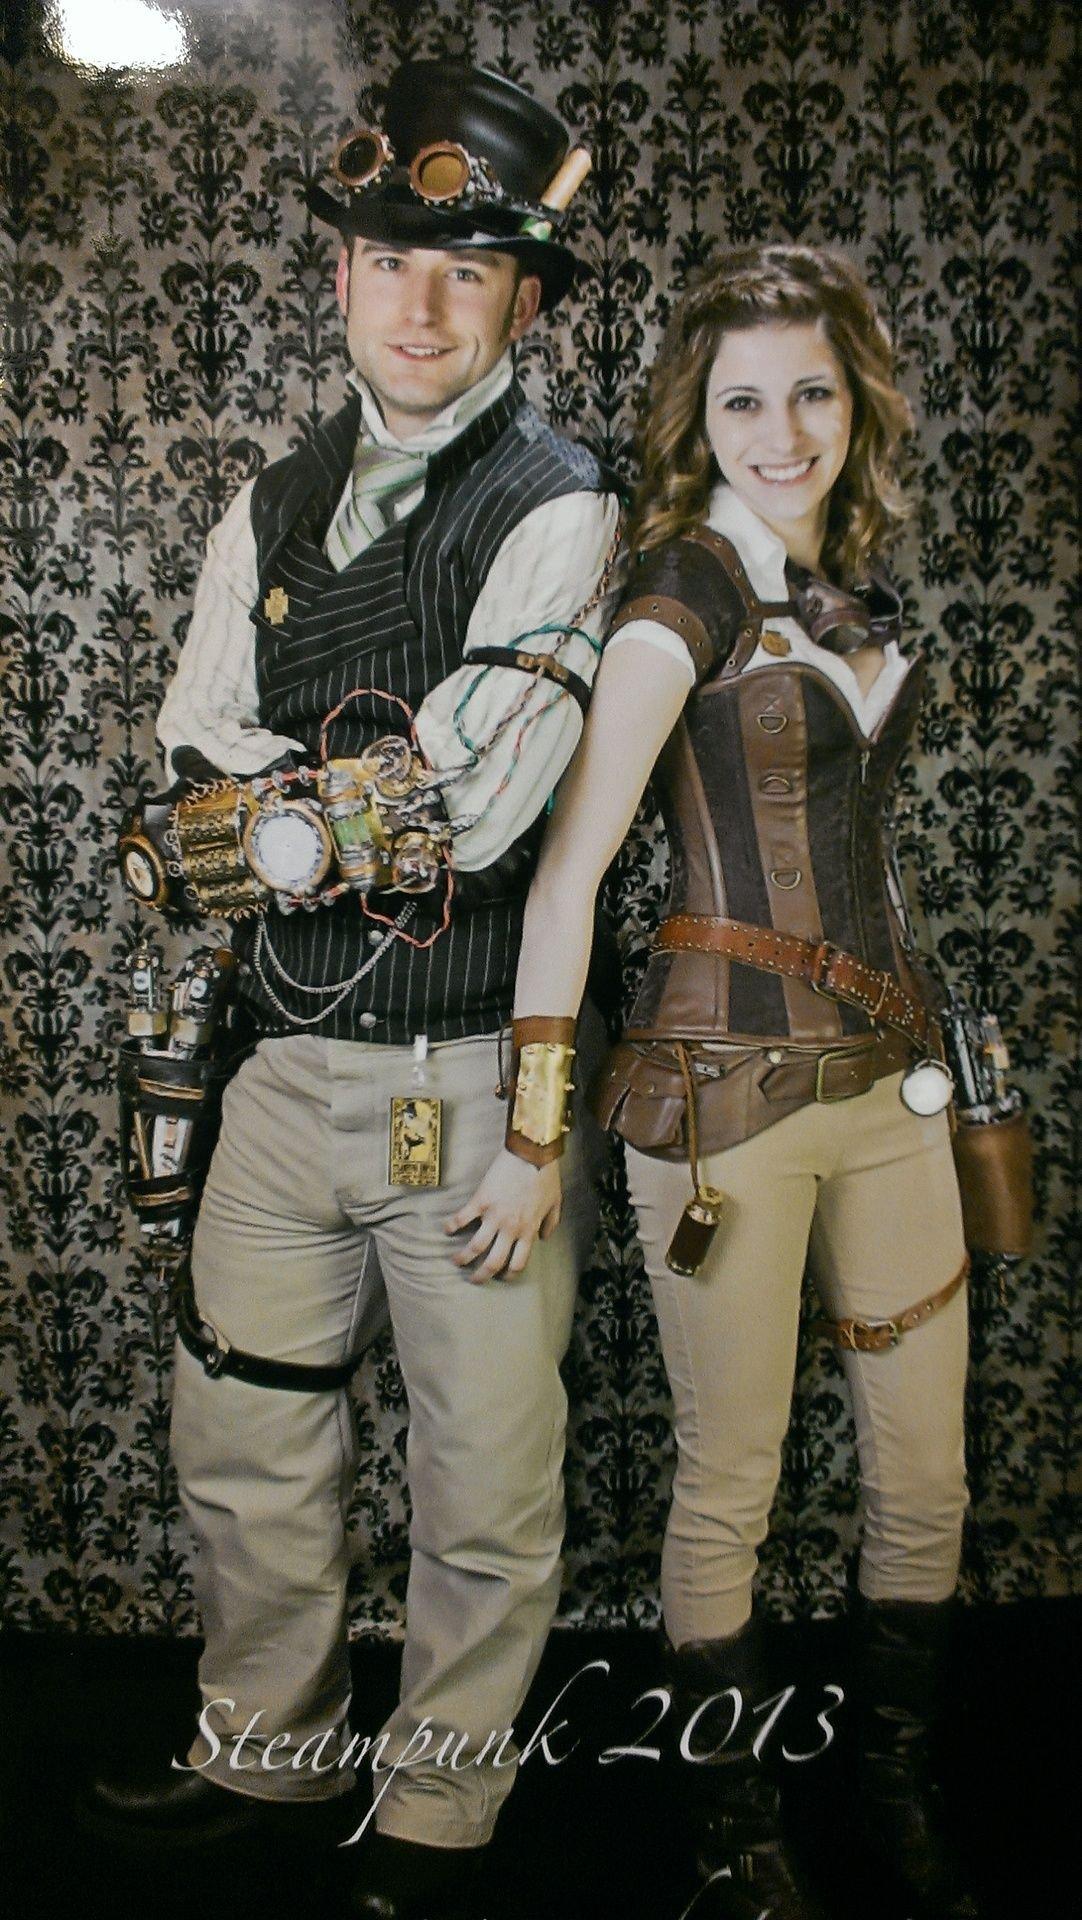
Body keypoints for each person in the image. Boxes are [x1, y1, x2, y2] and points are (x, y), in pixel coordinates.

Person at [93, 61, 620, 1920]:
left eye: (465, 271)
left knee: (482, 1476)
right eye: (390, 260)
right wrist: (324, 813)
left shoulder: (559, 505)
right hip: (274, 1069)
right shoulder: (270, 499)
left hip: (463, 1079)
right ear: (339, 277)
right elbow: (185, 751)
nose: (420, 301)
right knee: (244, 1430)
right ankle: (270, 1748)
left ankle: (439, 1812)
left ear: (521, 302)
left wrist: (263, 820)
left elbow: (468, 812)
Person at [464, 245, 979, 1919]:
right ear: (699, 419)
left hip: (886, 1088)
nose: (783, 432)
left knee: (925, 1474)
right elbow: (568, 878)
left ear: (856, 404)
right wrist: (531, 1132)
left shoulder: (843, 586)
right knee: (731, 1480)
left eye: (812, 393)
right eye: (743, 401)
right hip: (718, 1108)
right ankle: (731, 1829)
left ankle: (891, 1795)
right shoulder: (679, 590)